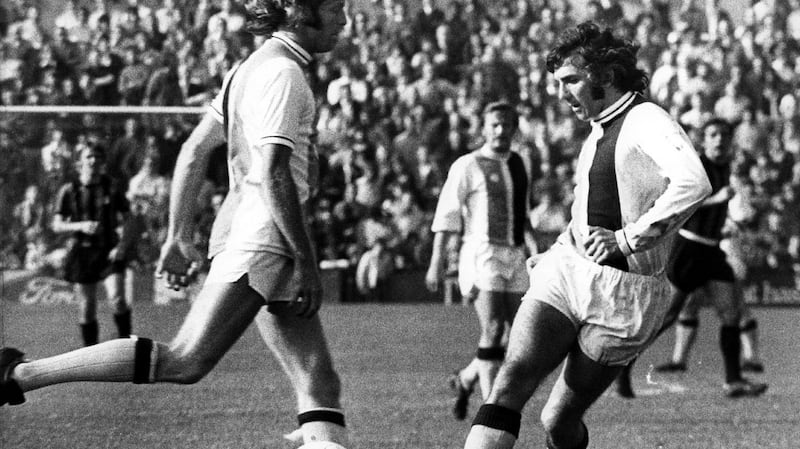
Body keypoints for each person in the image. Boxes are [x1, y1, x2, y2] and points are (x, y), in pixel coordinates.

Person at [0, 2, 350, 448]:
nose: (343, 20)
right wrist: (305, 259)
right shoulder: (283, 73)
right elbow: (274, 173)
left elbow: (194, 150)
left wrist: (176, 236)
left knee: (318, 380)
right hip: (264, 236)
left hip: (259, 231)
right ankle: (18, 374)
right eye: (335, 8)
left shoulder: (249, 68)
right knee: (185, 359)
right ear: (299, 10)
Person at [461, 22, 712, 449]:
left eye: (571, 80)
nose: (562, 94)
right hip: (569, 271)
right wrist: (559, 248)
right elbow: (590, 208)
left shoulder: (645, 119)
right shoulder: (598, 129)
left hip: (626, 295)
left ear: (607, 76)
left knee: (557, 420)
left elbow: (693, 182)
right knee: (509, 383)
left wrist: (627, 240)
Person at [633, 119, 767, 396]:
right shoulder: (697, 166)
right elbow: (679, 201)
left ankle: (734, 380)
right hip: (689, 249)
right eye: (713, 134)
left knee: (731, 313)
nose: (719, 139)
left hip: (713, 251)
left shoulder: (727, 167)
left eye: (724, 135)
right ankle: (622, 365)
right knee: (668, 315)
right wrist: (717, 199)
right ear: (704, 140)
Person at [426, 101, 531, 421]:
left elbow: (523, 213)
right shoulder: (468, 165)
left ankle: (466, 378)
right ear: (484, 129)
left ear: (514, 128)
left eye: (506, 125)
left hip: (515, 254)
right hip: (482, 253)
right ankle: (492, 411)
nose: (500, 131)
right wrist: (436, 261)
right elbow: (447, 214)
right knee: (494, 327)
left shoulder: (520, 162)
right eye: (494, 125)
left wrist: (535, 249)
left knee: (519, 335)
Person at [51, 143, 135, 346]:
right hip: (82, 253)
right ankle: (90, 353)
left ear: (103, 161)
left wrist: (122, 246)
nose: (94, 160)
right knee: (87, 308)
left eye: (98, 156)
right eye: (89, 156)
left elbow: (129, 218)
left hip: (109, 250)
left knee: (118, 299)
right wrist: (81, 225)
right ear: (79, 162)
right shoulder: (69, 190)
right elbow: (57, 225)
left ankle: (126, 346)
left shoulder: (112, 187)